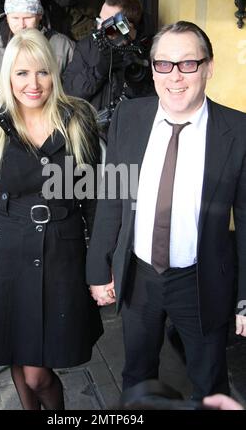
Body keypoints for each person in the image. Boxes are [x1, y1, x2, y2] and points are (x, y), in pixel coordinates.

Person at [86, 21, 246, 399]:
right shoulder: (129, 117)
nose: (175, 76)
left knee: (208, 383)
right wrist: (98, 268)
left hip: (201, 280)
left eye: (188, 63)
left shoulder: (237, 130)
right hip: (140, 279)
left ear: (208, 67)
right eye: (164, 64)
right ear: (153, 68)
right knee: (137, 377)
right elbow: (111, 196)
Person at [0, 27, 103, 410]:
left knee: (37, 371)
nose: (32, 83)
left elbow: (92, 202)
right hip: (3, 256)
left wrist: (101, 266)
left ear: (54, 72)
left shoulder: (79, 120)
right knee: (17, 355)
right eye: (21, 73)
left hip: (62, 254)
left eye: (41, 71)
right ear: (7, 76)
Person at [0, 0, 74, 108]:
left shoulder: (63, 45)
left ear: (39, 16)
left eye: (27, 18)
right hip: (3, 115)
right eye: (15, 18)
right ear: (6, 17)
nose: (21, 25)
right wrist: (2, 104)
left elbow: (74, 84)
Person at [63, 0, 154, 122]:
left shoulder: (148, 50)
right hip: (94, 130)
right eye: (99, 19)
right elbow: (69, 92)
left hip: (131, 126)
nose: (99, 27)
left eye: (107, 24)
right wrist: (98, 71)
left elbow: (153, 99)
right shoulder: (88, 46)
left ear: (126, 26)